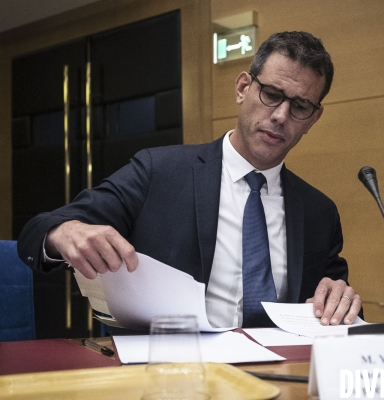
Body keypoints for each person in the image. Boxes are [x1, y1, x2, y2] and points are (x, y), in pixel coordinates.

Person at [18, 31, 362, 329]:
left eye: (300, 106)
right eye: (271, 94)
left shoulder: (320, 212)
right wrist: (62, 233)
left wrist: (338, 298)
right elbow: (39, 230)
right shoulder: (159, 172)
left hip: (283, 372)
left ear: (314, 117)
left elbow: (330, 297)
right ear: (243, 88)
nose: (280, 115)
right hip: (174, 369)